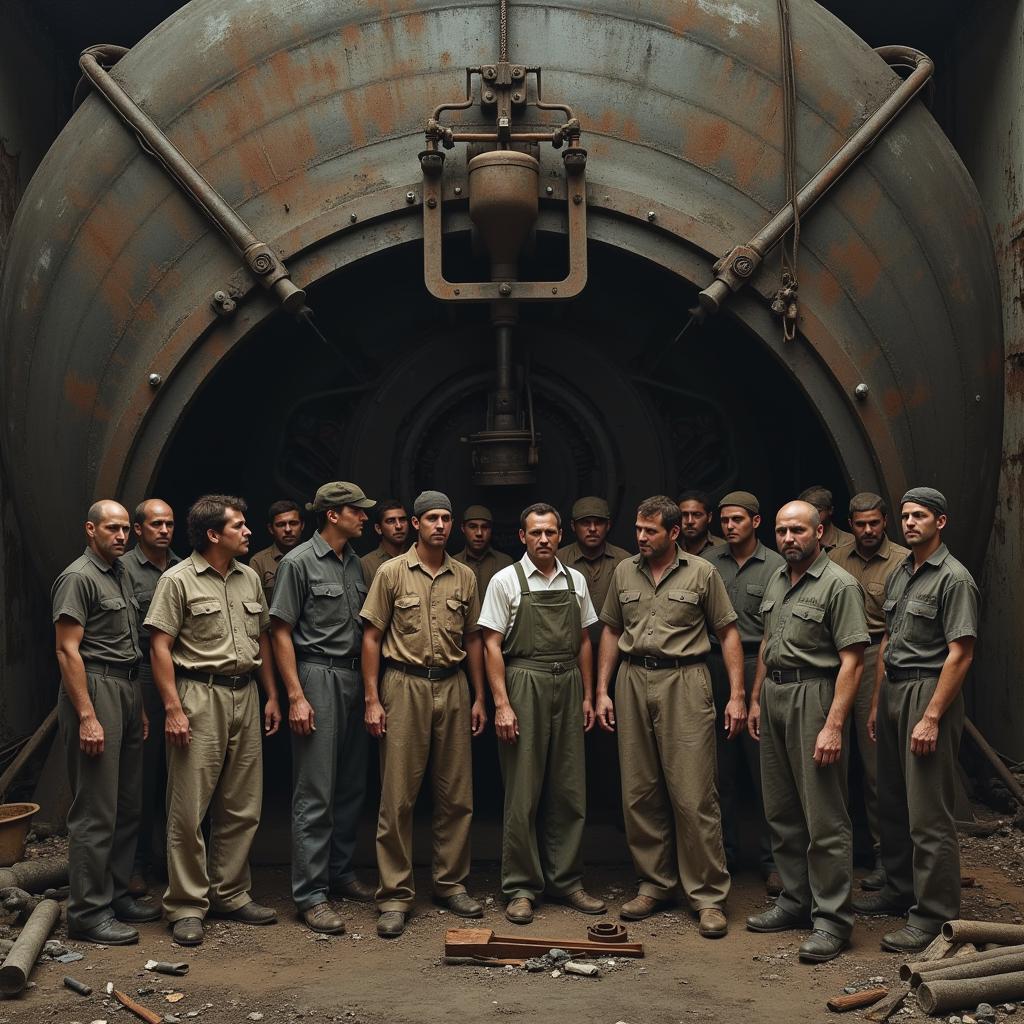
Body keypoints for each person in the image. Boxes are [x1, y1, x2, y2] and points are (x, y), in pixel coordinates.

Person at [596, 495, 745, 939]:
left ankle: (707, 897)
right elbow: (611, 630)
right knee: (639, 791)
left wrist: (737, 695)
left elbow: (728, 632)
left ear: (674, 533)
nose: (640, 538)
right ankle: (655, 883)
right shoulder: (625, 571)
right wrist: (602, 691)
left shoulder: (702, 573)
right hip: (632, 679)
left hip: (685, 681)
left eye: (650, 531)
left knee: (694, 793)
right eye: (638, 530)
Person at [146, 495, 282, 947]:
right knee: (189, 807)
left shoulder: (248, 579)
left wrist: (272, 696)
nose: (248, 533)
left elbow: (260, 639)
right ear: (213, 534)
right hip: (197, 696)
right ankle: (186, 904)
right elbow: (160, 647)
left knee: (243, 805)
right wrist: (172, 708)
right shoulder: (177, 580)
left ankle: (231, 892)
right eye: (239, 526)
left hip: (245, 693)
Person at [360, 490, 488, 938]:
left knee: (456, 794)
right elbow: (372, 637)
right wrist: (372, 699)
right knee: (398, 796)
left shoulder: (465, 577)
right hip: (404, 684)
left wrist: (479, 697)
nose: (440, 525)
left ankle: (450, 884)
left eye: (446, 518)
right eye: (432, 518)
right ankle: (395, 895)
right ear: (415, 524)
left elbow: (473, 638)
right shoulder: (391, 573)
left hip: (452, 684)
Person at [746, 500, 869, 963]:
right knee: (781, 810)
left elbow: (853, 661)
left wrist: (834, 725)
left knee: (825, 817)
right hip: (775, 696)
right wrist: (758, 697)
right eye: (781, 531)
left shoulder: (839, 585)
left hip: (815, 698)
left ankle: (832, 921)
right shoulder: (779, 578)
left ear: (820, 532)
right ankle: (796, 901)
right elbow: (766, 645)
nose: (788, 538)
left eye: (797, 530)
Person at [857, 488, 978, 954]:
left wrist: (930, 717)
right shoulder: (902, 572)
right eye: (905, 516)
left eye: (920, 516)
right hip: (892, 690)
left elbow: (961, 653)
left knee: (928, 813)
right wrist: (874, 704)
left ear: (940, 522)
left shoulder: (953, 578)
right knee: (891, 801)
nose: (909, 523)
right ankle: (900, 890)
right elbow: (888, 637)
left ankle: (934, 917)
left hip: (928, 691)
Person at [480, 502, 606, 925]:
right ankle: (520, 887)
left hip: (568, 681)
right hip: (524, 680)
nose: (544, 539)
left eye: (551, 532)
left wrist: (589, 694)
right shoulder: (505, 581)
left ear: (559, 535)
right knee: (523, 790)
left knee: (569, 788)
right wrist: (502, 704)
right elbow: (491, 645)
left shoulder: (576, 580)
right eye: (536, 533)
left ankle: (567, 881)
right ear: (522, 537)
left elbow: (585, 641)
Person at [270, 482, 378, 934]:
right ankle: (311, 894)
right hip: (317, 675)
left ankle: (339, 872)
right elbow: (279, 631)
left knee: (351, 784)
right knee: (314, 789)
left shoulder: (353, 562)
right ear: (334, 515)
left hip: (353, 676)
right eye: (358, 511)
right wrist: (295, 694)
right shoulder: (298, 563)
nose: (365, 518)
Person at [52, 500, 158, 945]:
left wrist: (141, 706)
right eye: (111, 529)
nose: (121, 536)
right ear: (89, 529)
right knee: (96, 810)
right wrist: (88, 716)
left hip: (128, 689)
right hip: (95, 690)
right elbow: (67, 650)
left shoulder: (120, 573)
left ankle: (114, 895)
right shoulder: (79, 577)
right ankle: (86, 913)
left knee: (128, 803)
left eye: (124, 530)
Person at [828, 493, 909, 893]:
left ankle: (884, 857)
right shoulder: (836, 558)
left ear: (885, 523)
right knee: (831, 761)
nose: (867, 531)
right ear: (850, 523)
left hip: (877, 652)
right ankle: (834, 855)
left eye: (874, 523)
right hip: (835, 658)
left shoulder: (901, 561)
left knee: (877, 767)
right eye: (860, 524)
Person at [707, 491, 785, 894]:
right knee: (719, 770)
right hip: (711, 665)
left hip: (759, 662)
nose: (729, 526)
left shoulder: (776, 565)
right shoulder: (707, 564)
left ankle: (773, 860)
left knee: (763, 769)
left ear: (756, 521)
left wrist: (753, 695)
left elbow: (774, 633)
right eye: (724, 520)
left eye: (737, 519)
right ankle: (724, 853)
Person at [121, 498, 180, 895]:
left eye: (169, 524)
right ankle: (136, 865)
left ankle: (175, 862)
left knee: (180, 773)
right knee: (142, 776)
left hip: (182, 672)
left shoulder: (184, 567)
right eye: (156, 524)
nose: (164, 530)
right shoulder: (123, 569)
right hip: (142, 673)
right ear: (138, 529)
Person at [556, 496, 631, 645]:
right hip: (570, 651)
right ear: (573, 526)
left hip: (616, 650)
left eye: (598, 523)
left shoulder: (625, 561)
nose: (592, 529)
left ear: (608, 525)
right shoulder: (558, 560)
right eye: (585, 523)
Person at [452, 504, 514, 597]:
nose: (479, 533)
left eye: (485, 527)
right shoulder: (453, 564)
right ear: (463, 528)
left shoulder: (505, 563)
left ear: (491, 529)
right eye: (472, 527)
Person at [249, 500, 304, 602]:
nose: (288, 529)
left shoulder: (315, 556)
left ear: (302, 525)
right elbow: (256, 603)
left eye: (293, 523)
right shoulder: (259, 562)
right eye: (281, 524)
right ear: (271, 529)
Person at [360, 500, 410, 585]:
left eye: (402, 520)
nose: (399, 526)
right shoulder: (366, 564)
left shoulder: (419, 557)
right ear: (378, 528)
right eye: (391, 521)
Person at [799, 486, 852, 552]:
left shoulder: (850, 542)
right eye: (805, 512)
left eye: (817, 511)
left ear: (830, 510)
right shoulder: (798, 541)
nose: (810, 516)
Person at [676, 490, 726, 556]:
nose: (690, 521)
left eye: (697, 514)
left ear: (709, 517)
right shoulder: (670, 547)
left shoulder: (723, 548)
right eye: (684, 515)